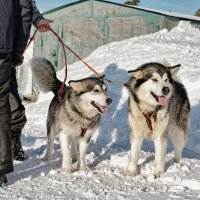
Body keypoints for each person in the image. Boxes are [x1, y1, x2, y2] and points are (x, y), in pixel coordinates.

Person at [11, 0, 53, 161]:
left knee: (13, 105)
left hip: (7, 53)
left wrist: (37, 19)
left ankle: (13, 142)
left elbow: (25, 6)